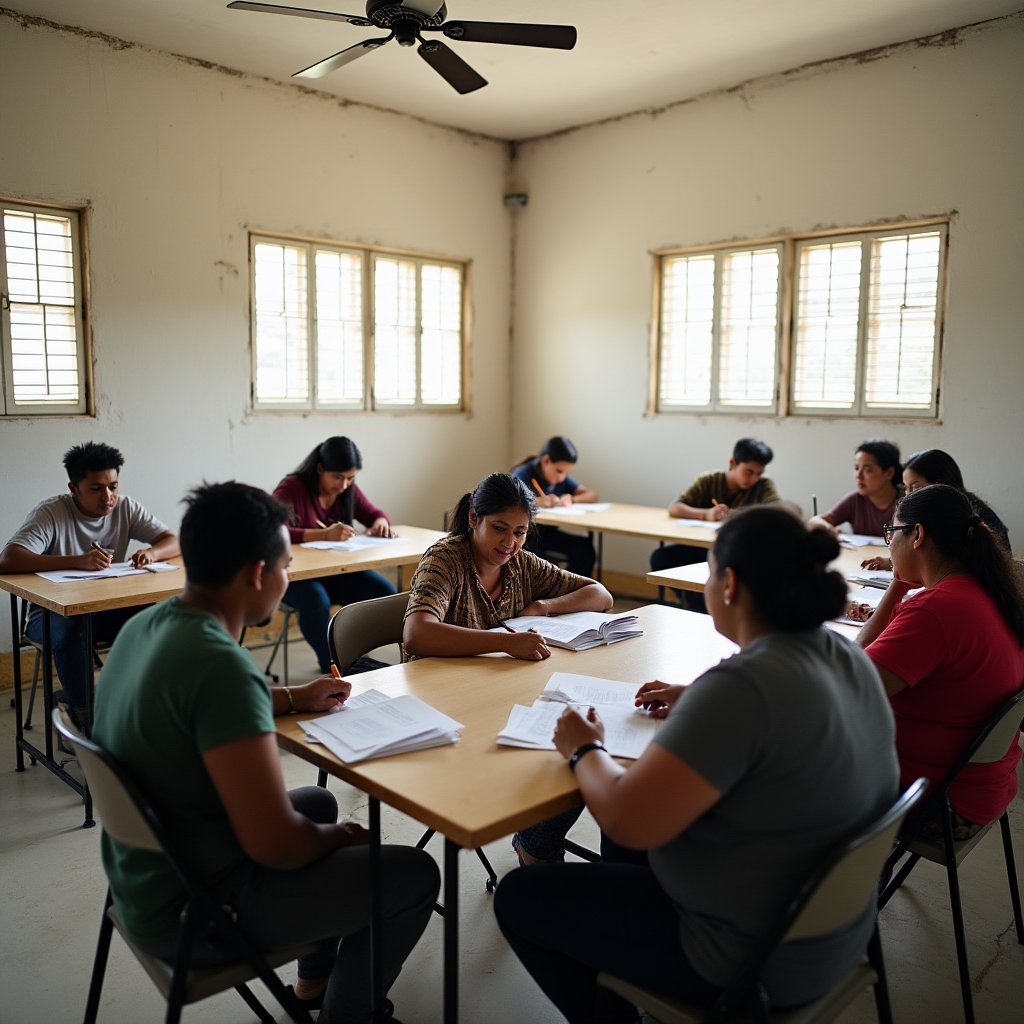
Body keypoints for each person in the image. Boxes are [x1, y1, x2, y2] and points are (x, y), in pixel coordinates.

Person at [493, 505, 899, 1023]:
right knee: (623, 847)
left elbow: (623, 815)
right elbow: (773, 719)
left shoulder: (743, 690)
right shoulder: (843, 655)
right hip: (831, 931)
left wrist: (583, 747)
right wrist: (701, 696)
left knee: (521, 898)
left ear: (728, 584)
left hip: (753, 961)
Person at [91, 481, 439, 1023]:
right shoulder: (219, 666)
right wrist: (340, 839)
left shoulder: (149, 625)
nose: (288, 577)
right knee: (411, 874)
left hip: (144, 880)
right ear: (257, 574)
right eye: (286, 565)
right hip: (199, 912)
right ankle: (352, 1014)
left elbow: (195, 705)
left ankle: (314, 981)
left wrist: (293, 698)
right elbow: (276, 845)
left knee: (318, 805)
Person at [403, 472, 613, 863]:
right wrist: (504, 641)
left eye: (520, 532)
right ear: (472, 518)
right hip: (440, 700)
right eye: (499, 529)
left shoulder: (520, 564)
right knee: (561, 753)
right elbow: (416, 634)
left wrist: (546, 606)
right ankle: (536, 848)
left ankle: (535, 844)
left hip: (499, 689)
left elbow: (600, 594)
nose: (510, 543)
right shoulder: (446, 558)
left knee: (577, 745)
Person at [854, 484, 1024, 843]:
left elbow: (852, 685)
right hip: (982, 790)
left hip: (936, 805)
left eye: (891, 533)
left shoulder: (935, 611)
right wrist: (899, 585)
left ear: (917, 535)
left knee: (784, 765)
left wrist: (897, 586)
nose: (889, 544)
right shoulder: (990, 592)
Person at [0, 442, 179, 728]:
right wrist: (76, 561)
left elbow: (172, 540)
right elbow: (8, 559)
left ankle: (136, 703)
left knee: (155, 619)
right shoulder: (52, 513)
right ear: (74, 489)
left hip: (104, 607)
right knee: (70, 633)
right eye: (96, 488)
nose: (108, 497)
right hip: (48, 613)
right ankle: (87, 719)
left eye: (113, 486)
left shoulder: (126, 508)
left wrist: (152, 553)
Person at [273, 437, 397, 674]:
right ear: (320, 469)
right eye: (338, 477)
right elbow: (274, 529)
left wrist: (381, 523)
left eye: (350, 478)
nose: (344, 485)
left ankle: (355, 656)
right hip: (295, 576)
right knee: (316, 600)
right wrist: (323, 535)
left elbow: (374, 513)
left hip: (335, 572)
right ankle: (335, 665)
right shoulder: (293, 488)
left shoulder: (347, 489)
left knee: (383, 592)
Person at [650, 438, 779, 610]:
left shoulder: (763, 485)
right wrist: (705, 514)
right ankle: (695, 603)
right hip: (701, 547)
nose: (754, 478)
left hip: (735, 551)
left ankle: (709, 606)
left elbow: (777, 512)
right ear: (733, 463)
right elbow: (675, 507)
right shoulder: (709, 480)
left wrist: (733, 515)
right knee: (660, 558)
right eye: (749, 471)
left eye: (759, 473)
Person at [860, 449, 1010, 573]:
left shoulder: (958, 517)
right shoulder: (945, 510)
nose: (908, 496)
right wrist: (892, 562)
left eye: (915, 486)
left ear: (940, 485)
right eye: (906, 488)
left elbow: (948, 567)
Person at [512, 436, 600, 576]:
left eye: (566, 473)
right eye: (560, 471)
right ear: (546, 460)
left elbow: (592, 495)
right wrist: (539, 501)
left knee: (584, 550)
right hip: (528, 536)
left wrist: (572, 498)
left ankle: (571, 589)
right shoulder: (523, 474)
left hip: (548, 535)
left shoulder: (560, 477)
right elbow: (511, 499)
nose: (562, 477)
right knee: (534, 555)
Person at [809, 438, 901, 539]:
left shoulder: (907, 501)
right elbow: (813, 522)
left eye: (867, 470)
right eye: (857, 468)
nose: (858, 476)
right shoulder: (854, 500)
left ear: (889, 473)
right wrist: (829, 529)